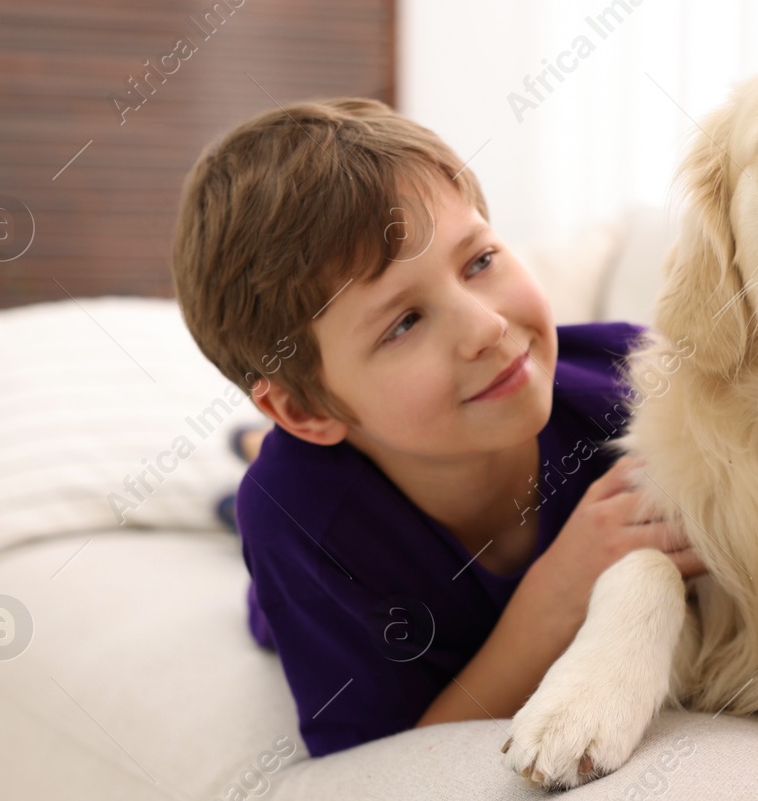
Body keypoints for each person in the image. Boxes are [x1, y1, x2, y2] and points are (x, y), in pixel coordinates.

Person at [171, 98, 705, 758]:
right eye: (403, 323)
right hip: (318, 527)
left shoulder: (634, 382)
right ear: (305, 411)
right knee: (257, 514)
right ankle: (249, 468)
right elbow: (387, 760)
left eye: (479, 261)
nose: (487, 328)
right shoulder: (300, 518)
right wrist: (558, 591)